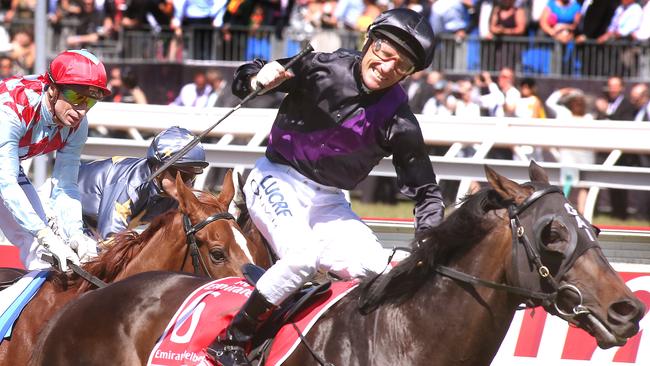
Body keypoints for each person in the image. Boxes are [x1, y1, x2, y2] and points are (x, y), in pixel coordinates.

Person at [206, 8, 445, 366]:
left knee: (378, 271)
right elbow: (243, 79)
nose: (387, 67)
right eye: (384, 52)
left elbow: (426, 192)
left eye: (402, 66)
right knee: (302, 258)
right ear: (369, 41)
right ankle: (230, 340)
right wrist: (259, 75)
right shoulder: (321, 65)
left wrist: (433, 246)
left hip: (329, 200)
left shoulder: (401, 120)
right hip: (276, 177)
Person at [0, 49, 110, 272]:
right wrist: (43, 233)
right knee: (40, 234)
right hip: (5, 173)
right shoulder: (12, 109)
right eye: (77, 97)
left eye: (90, 102)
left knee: (42, 251)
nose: (81, 110)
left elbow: (65, 186)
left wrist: (76, 234)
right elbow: (7, 183)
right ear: (53, 89)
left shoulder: (77, 126)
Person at [76, 126, 208, 240]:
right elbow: (110, 239)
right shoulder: (130, 184)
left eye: (192, 176)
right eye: (182, 175)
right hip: (71, 214)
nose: (188, 185)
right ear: (158, 167)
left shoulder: (171, 193)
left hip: (97, 225)